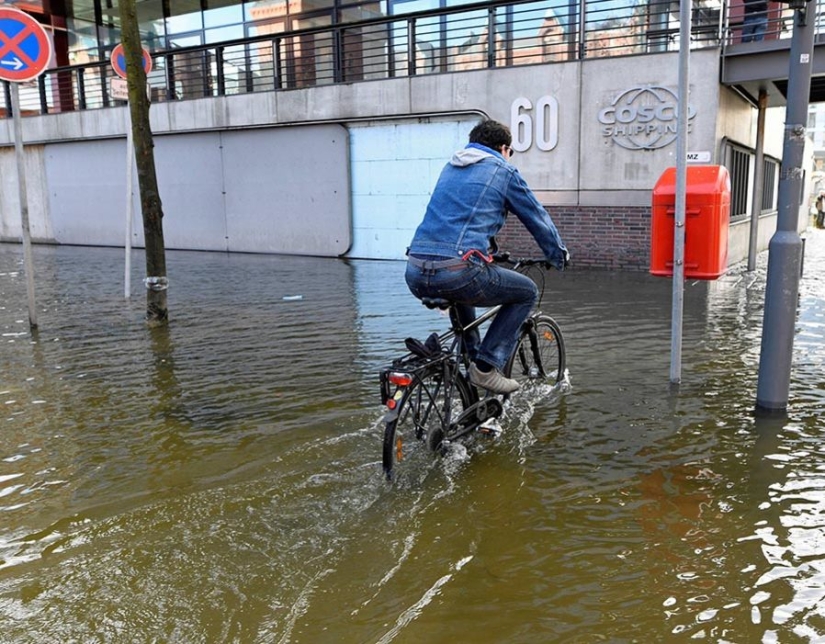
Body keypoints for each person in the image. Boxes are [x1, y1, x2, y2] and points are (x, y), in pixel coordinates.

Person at [405, 119, 569, 395]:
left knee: (460, 291)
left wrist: (488, 252)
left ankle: (471, 361)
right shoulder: (503, 171)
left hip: (415, 270)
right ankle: (485, 368)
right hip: (458, 269)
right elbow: (537, 218)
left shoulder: (451, 168)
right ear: (504, 148)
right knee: (526, 292)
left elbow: (461, 218)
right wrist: (558, 256)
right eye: (511, 152)